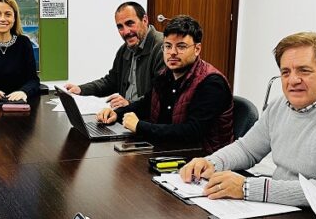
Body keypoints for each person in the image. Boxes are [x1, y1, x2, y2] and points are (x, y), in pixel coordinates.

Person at [180, 32, 316, 206]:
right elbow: (247, 149)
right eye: (286, 72)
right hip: (288, 211)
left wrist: (246, 188)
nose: (293, 80)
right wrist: (212, 162)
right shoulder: (280, 105)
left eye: (304, 70)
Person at [96, 15, 233, 153]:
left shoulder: (212, 83)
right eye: (168, 46)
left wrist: (140, 126)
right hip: (166, 149)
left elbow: (192, 131)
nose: (172, 53)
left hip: (201, 158)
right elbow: (146, 104)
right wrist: (116, 113)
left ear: (197, 49)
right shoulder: (165, 74)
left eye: (181, 46)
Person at [64, 1, 164, 109]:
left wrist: (129, 104)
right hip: (126, 114)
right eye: (120, 27)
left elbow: (160, 96)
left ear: (145, 20)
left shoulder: (163, 48)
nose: (126, 32)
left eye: (130, 23)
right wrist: (81, 89)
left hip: (143, 117)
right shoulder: (124, 49)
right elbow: (111, 82)